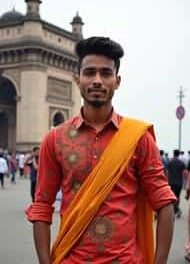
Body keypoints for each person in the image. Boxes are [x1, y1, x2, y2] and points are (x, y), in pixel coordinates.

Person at [26, 36, 176, 264]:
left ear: (117, 81)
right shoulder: (54, 140)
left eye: (105, 73)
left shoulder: (139, 139)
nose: (97, 80)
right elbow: (42, 207)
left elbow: (164, 204)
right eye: (89, 73)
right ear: (77, 80)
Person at [167, 149, 186, 218]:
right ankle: (176, 209)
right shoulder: (181, 163)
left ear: (173, 153)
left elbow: (167, 173)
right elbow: (184, 173)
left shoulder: (170, 162)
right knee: (177, 196)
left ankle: (173, 209)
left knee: (171, 197)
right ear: (178, 154)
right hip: (179, 183)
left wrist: (166, 181)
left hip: (171, 182)